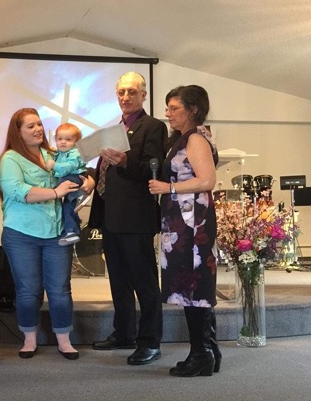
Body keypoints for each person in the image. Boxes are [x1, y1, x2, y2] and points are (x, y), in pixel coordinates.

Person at [0, 108, 95, 360]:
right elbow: (18, 190)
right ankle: (29, 340)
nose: (38, 129)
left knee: (60, 289)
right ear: (17, 132)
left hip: (56, 232)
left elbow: (80, 171)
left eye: (39, 124)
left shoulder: (53, 154)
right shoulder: (10, 159)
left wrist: (89, 182)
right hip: (21, 233)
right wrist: (55, 193)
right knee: (28, 290)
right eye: (30, 126)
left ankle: (64, 340)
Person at [89, 71, 168, 365]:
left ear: (143, 95)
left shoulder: (153, 126)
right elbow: (106, 173)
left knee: (144, 283)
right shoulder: (114, 129)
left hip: (136, 219)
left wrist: (125, 160)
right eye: (121, 92)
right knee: (119, 281)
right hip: (111, 217)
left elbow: (154, 168)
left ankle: (150, 342)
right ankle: (124, 333)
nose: (126, 97)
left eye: (132, 92)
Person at [148, 85, 221, 377]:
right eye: (167, 108)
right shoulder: (184, 137)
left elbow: (207, 180)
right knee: (194, 284)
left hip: (192, 224)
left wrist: (169, 187)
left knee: (194, 286)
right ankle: (209, 351)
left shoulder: (195, 138)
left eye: (174, 108)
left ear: (193, 110)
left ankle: (201, 354)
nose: (168, 113)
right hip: (184, 220)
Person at [47, 123, 91, 246]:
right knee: (68, 206)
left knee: (61, 188)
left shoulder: (76, 153)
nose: (63, 142)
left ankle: (79, 196)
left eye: (68, 139)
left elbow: (69, 167)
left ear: (76, 142)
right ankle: (71, 231)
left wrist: (54, 165)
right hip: (68, 178)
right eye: (59, 139)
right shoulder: (59, 152)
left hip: (75, 177)